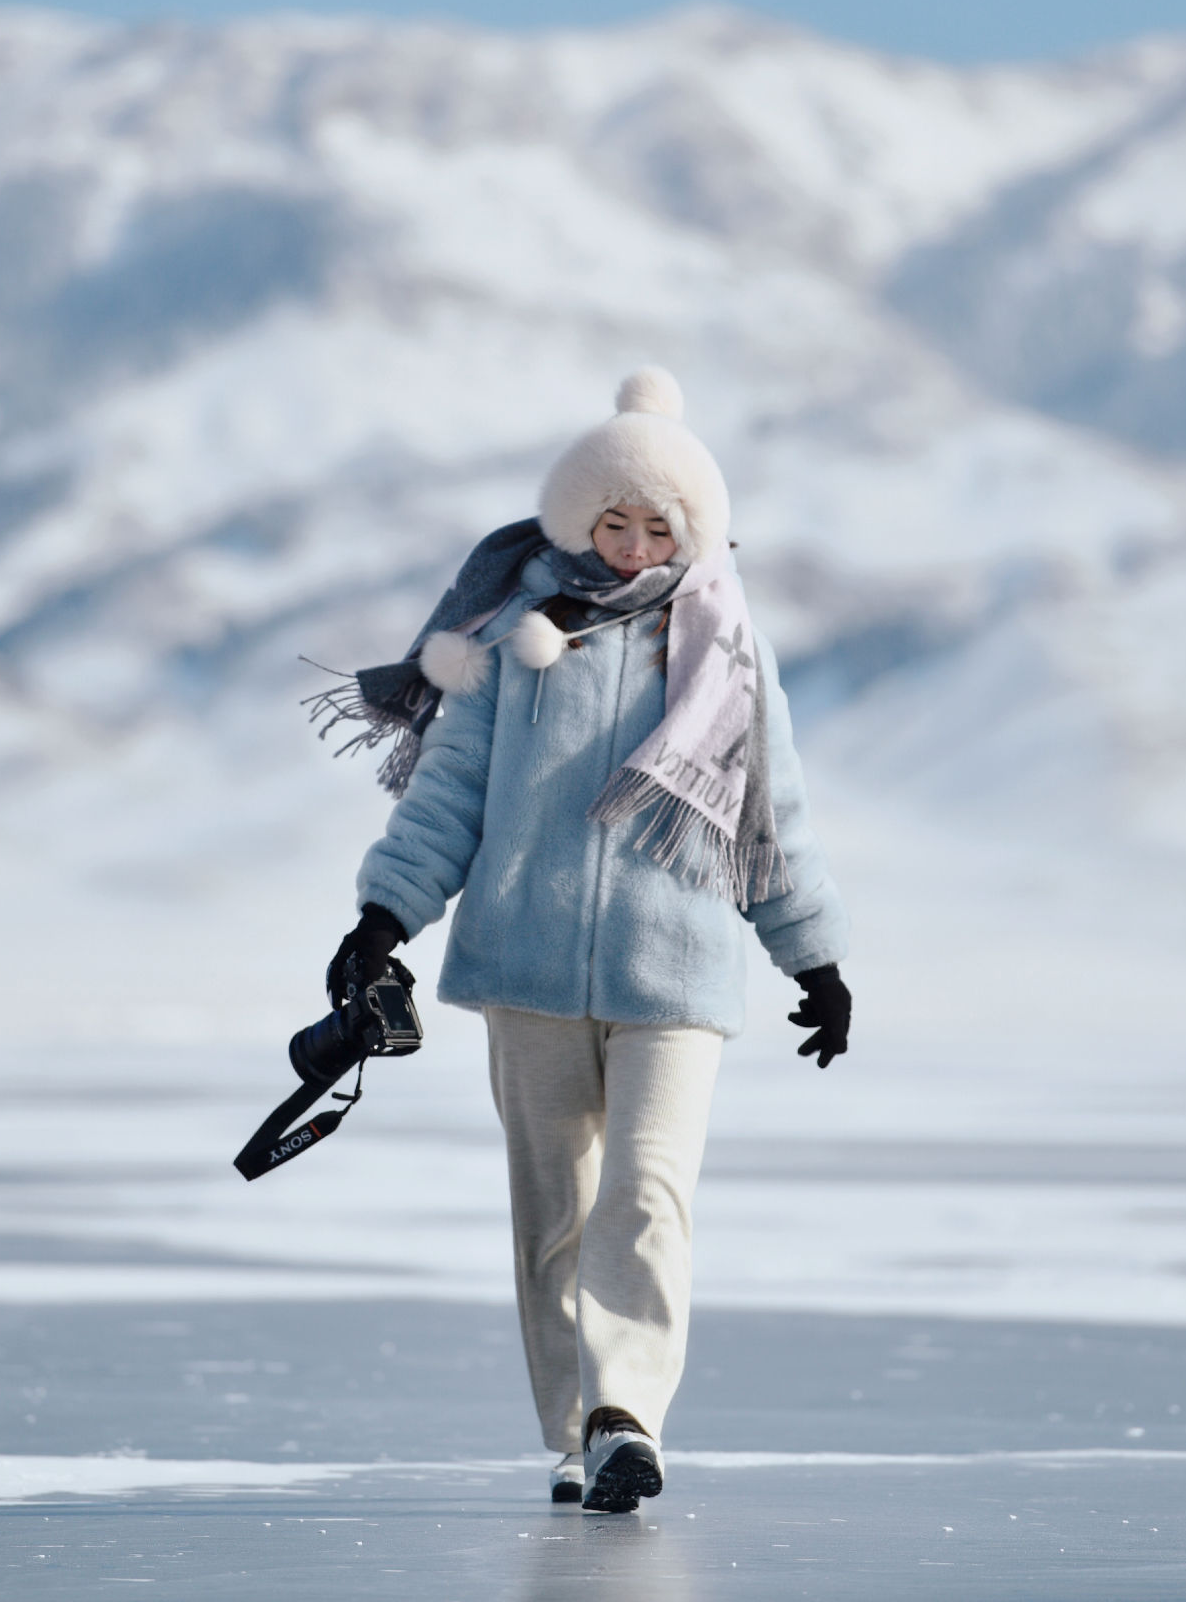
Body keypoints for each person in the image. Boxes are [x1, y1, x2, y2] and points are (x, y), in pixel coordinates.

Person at [309, 367, 854, 1513]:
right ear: (576, 518)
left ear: (692, 529)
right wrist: (381, 916)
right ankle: (572, 1432)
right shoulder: (514, 646)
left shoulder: (728, 658)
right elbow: (448, 796)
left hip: (677, 969)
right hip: (527, 965)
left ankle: (625, 1415)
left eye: (658, 523)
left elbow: (775, 815)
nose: (631, 542)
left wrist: (815, 960)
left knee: (648, 1191)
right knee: (552, 1211)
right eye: (612, 518)